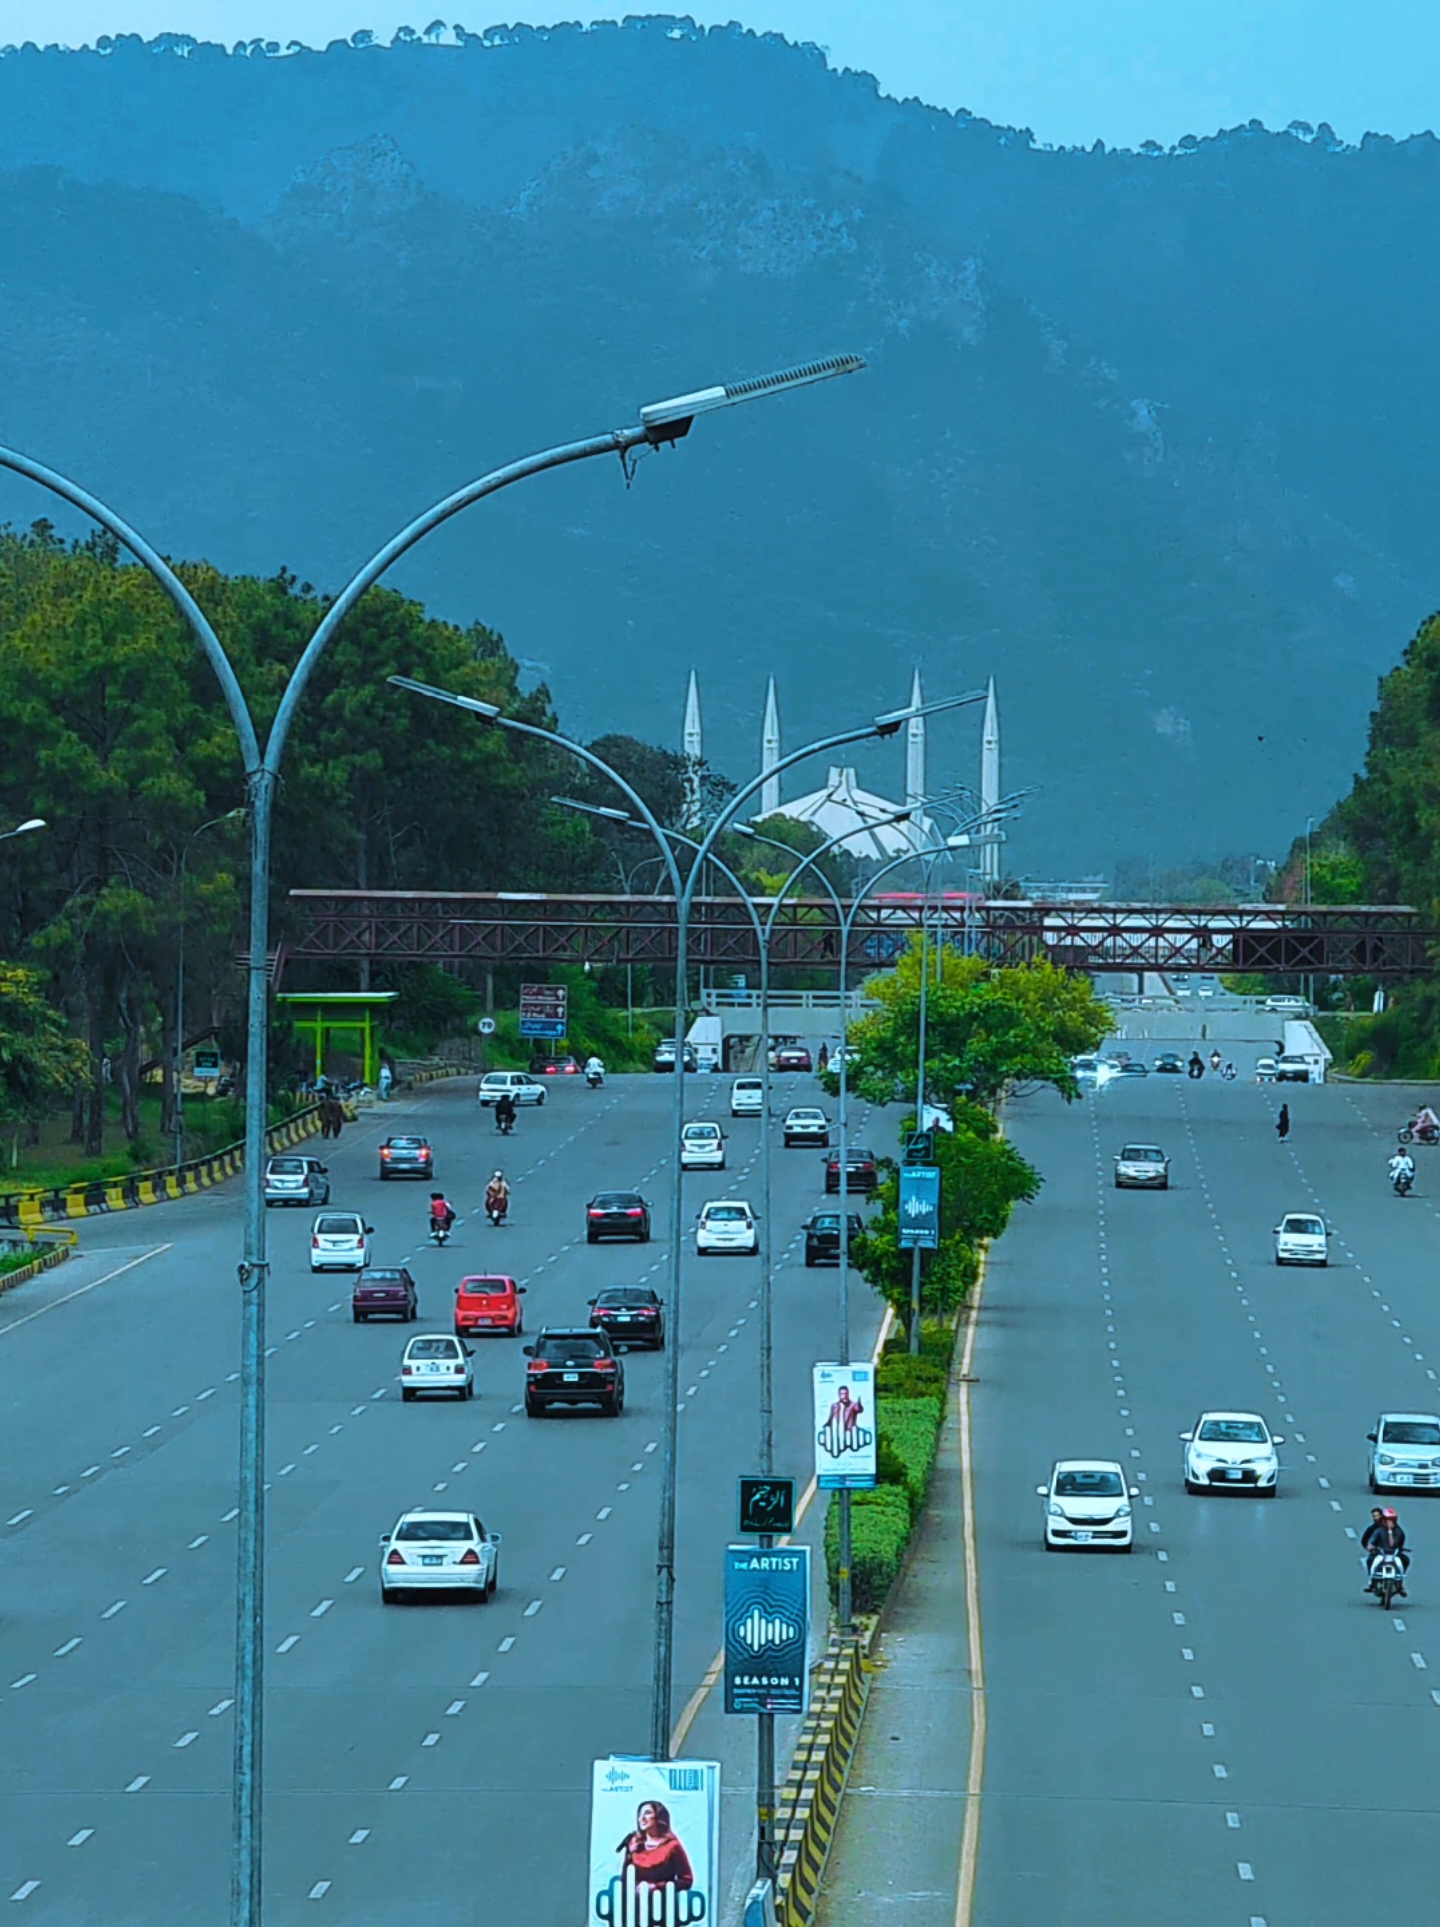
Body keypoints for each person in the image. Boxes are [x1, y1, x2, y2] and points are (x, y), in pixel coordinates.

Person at [617, 1801, 694, 1890]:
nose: (641, 1818)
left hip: (665, 1900)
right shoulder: (635, 1844)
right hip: (635, 1900)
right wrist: (630, 1853)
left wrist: (656, 1887)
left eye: (647, 1813)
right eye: (640, 1814)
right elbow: (625, 1881)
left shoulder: (671, 1845)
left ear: (658, 1817)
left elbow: (686, 1880)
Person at [1363, 1506, 1409, 1594]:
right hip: (1381, 1553)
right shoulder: (1378, 1531)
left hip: (1394, 1554)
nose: (1389, 1522)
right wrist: (1371, 1547)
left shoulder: (1399, 1531)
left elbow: (1397, 1543)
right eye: (1388, 1519)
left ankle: (1400, 1584)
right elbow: (1372, 1541)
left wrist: (1390, 1532)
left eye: (1392, 1520)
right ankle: (1372, 1582)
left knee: (1405, 1561)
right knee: (1371, 1560)